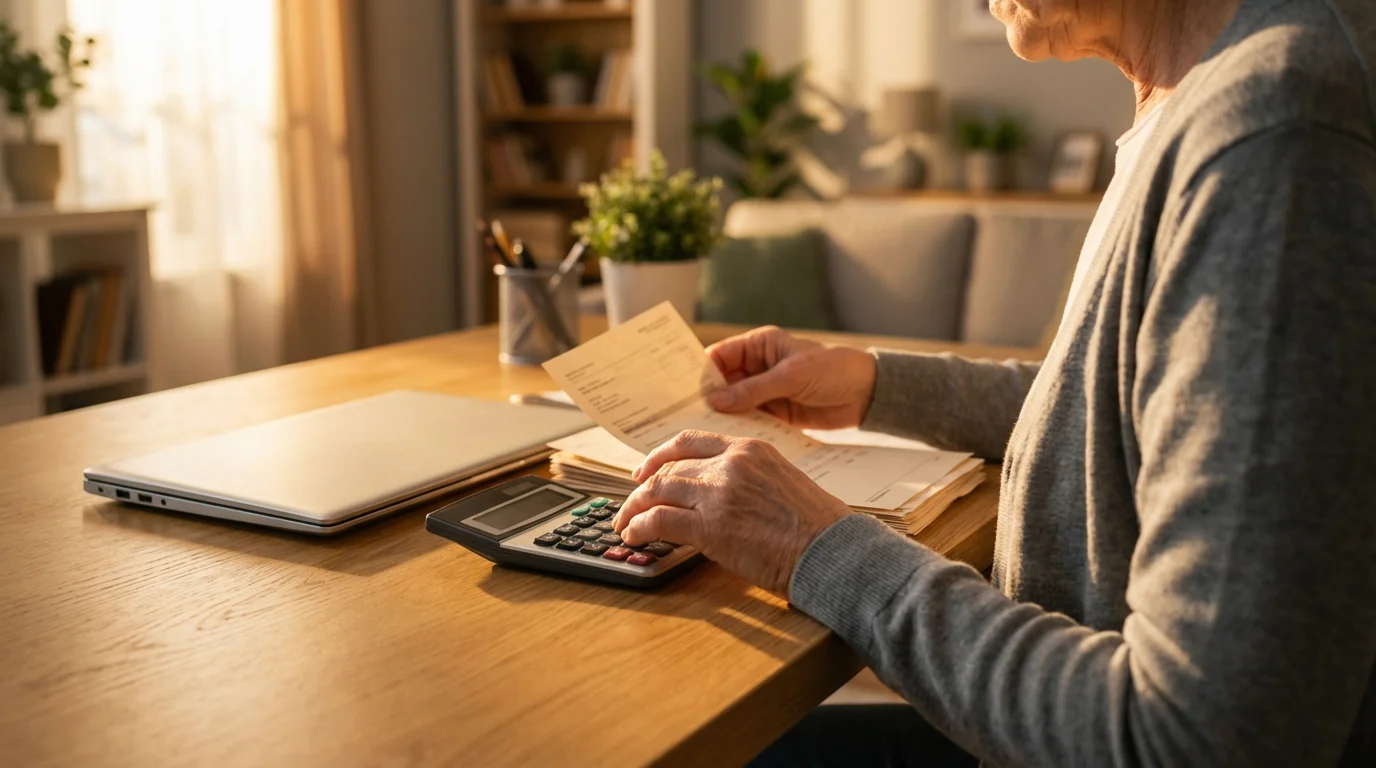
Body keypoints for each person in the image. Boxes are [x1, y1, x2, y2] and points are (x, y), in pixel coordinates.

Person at [611, 0, 1376, 765]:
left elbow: (1195, 742)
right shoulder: (1206, 100)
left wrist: (814, 547)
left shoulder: (1273, 145)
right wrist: (876, 385)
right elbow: (1122, 410)